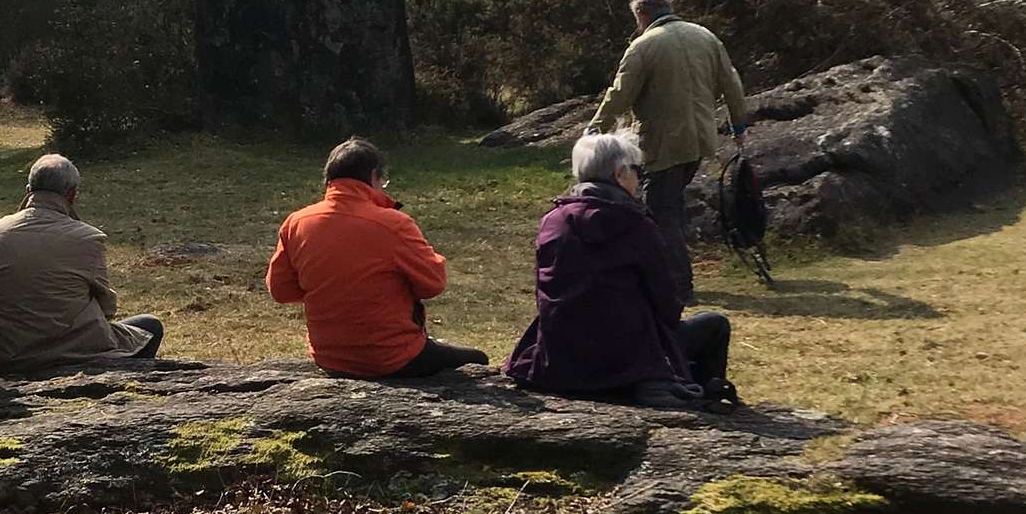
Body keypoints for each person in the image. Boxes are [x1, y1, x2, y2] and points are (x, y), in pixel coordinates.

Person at [506, 130, 735, 409]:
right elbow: (668, 307)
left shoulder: (552, 221)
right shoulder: (635, 224)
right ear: (619, 173)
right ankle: (696, 392)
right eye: (637, 170)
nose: (640, 179)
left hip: (559, 358)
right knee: (715, 325)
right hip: (627, 362)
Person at [267, 138, 488, 380]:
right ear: (374, 176)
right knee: (479, 359)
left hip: (329, 358)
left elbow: (281, 291)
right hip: (391, 358)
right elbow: (433, 284)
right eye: (384, 181)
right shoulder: (393, 224)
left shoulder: (296, 222)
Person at [589, 0, 749, 306]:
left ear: (641, 15)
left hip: (662, 143)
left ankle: (678, 287)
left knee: (662, 213)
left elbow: (620, 95)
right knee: (670, 207)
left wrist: (594, 129)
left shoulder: (643, 46)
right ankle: (662, 275)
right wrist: (738, 125)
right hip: (699, 141)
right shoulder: (705, 37)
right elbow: (732, 84)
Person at [0, 154, 162, 375]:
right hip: (73, 352)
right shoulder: (88, 238)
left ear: (28, 190)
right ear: (71, 195)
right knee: (150, 326)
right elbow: (107, 308)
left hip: (5, 352)